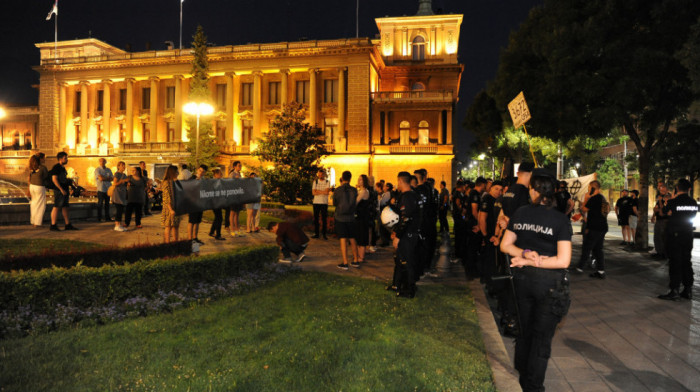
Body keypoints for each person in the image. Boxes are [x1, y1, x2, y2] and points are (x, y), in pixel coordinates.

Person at [500, 170, 572, 392]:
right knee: (541, 339)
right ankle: (533, 386)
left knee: (524, 332)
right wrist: (532, 259)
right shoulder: (560, 220)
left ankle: (522, 377)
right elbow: (563, 261)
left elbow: (505, 245)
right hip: (549, 287)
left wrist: (525, 255)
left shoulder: (521, 213)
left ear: (533, 190)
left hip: (522, 282)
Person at [658, 179, 698, 300]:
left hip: (675, 235)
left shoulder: (673, 201)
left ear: (677, 188)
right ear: (689, 189)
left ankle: (674, 289)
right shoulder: (693, 203)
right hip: (688, 234)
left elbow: (662, 213)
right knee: (686, 261)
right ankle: (688, 289)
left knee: (675, 262)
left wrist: (661, 202)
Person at [389, 171, 423, 298]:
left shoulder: (408, 197)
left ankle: (409, 289)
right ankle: (396, 284)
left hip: (408, 234)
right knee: (399, 260)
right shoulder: (413, 195)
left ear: (400, 181)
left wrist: (398, 236)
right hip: (409, 233)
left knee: (406, 261)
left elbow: (406, 218)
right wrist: (395, 231)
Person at [575, 180, 608, 278]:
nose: (588, 190)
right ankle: (601, 271)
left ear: (592, 188)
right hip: (602, 226)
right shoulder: (602, 198)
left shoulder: (593, 198)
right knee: (598, 249)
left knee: (587, 247)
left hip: (595, 227)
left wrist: (586, 198)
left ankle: (580, 267)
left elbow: (583, 209)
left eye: (589, 188)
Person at [478, 180, 504, 286]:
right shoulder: (488, 199)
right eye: (496, 189)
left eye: (501, 190)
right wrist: (485, 235)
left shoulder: (498, 200)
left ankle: (487, 279)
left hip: (494, 235)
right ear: (491, 188)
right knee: (489, 259)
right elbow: (482, 218)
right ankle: (488, 280)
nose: (499, 191)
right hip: (489, 235)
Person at [333, 170, 359, 270]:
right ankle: (356, 260)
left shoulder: (338, 190)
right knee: (352, 238)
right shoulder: (354, 190)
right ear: (350, 178)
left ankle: (345, 262)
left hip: (340, 217)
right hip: (351, 217)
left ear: (342, 178)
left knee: (343, 239)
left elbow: (335, 202)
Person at [49, 152, 78, 231]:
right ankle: (53, 225)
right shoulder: (56, 167)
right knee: (57, 206)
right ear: (60, 159)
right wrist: (61, 189)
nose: (67, 159)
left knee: (65, 207)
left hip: (64, 190)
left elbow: (63, 179)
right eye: (65, 158)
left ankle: (67, 224)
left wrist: (70, 182)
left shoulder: (62, 168)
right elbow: (54, 179)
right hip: (59, 191)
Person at [355, 174, 373, 263]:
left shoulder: (363, 192)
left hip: (362, 217)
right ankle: (359, 255)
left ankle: (361, 257)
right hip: (361, 217)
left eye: (361, 179)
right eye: (358, 179)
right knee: (359, 236)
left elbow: (355, 202)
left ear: (364, 181)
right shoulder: (361, 191)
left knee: (361, 237)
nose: (359, 180)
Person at [161, 165, 181, 243]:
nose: (178, 173)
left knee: (175, 226)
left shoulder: (175, 182)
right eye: (176, 171)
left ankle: (175, 242)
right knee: (168, 226)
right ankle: (167, 243)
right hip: (169, 208)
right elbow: (166, 197)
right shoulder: (166, 183)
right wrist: (170, 209)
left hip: (176, 206)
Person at [28, 153, 48, 227]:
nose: (45, 159)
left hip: (32, 186)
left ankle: (33, 221)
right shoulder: (43, 168)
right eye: (44, 158)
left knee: (34, 204)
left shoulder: (32, 167)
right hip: (39, 187)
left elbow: (29, 177)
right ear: (41, 159)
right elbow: (46, 178)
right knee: (41, 205)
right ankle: (38, 223)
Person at [188, 164, 207, 244]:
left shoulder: (203, 180)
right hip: (193, 202)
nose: (201, 173)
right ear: (197, 170)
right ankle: (189, 239)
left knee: (197, 221)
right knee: (191, 221)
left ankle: (195, 238)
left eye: (203, 172)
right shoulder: (192, 178)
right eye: (200, 170)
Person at [651, 183, 671, 259]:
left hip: (664, 220)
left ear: (667, 190)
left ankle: (663, 254)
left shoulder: (668, 197)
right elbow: (655, 208)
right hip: (659, 219)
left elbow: (664, 210)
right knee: (657, 237)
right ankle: (658, 252)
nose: (661, 191)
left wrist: (659, 206)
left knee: (663, 238)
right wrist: (653, 216)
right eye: (660, 189)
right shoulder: (660, 197)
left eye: (662, 190)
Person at [311, 168, 330, 239]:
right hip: (316, 202)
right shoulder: (315, 182)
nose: (320, 175)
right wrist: (322, 191)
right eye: (319, 174)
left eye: (322, 174)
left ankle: (324, 234)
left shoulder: (327, 182)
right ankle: (316, 234)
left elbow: (327, 192)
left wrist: (318, 191)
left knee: (324, 219)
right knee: (316, 219)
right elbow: (313, 193)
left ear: (324, 175)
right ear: (318, 174)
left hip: (324, 202)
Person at [228, 160, 245, 237]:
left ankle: (237, 229)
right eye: (239, 165)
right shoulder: (232, 174)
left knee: (237, 213)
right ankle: (232, 229)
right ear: (234, 166)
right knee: (232, 213)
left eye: (240, 166)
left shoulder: (240, 174)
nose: (240, 167)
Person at [208, 168, 226, 240]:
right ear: (215, 175)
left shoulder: (218, 181)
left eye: (221, 174)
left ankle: (212, 231)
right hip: (215, 202)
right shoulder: (214, 182)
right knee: (219, 218)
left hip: (217, 201)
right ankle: (218, 235)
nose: (221, 175)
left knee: (217, 218)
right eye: (219, 174)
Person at [111, 161, 129, 232]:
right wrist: (122, 181)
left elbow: (125, 183)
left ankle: (119, 224)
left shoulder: (124, 175)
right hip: (117, 194)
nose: (124, 167)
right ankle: (117, 225)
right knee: (118, 209)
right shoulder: (117, 174)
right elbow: (114, 183)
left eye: (124, 165)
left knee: (121, 210)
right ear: (118, 166)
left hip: (123, 194)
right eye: (122, 165)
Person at [94, 158, 114, 222]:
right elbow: (100, 179)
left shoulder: (108, 170)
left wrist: (104, 178)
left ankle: (107, 217)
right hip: (101, 189)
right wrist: (107, 178)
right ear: (99, 162)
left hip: (108, 189)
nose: (102, 162)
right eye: (101, 161)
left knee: (107, 204)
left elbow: (112, 178)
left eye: (103, 161)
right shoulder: (97, 170)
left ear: (105, 162)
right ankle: (99, 218)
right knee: (100, 204)